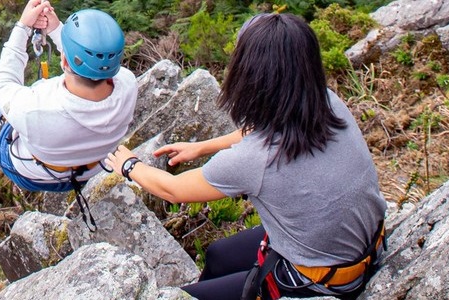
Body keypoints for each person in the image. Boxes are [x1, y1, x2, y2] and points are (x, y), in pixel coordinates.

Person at [105, 13, 387, 300]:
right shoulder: (326, 101)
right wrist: (203, 147)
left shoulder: (256, 160)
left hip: (317, 279)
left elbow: (173, 190)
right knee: (217, 255)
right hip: (358, 248)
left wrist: (128, 164)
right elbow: (270, 127)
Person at [0, 0, 137, 193]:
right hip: (92, 168)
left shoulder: (36, 107)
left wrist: (23, 27)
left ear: (65, 62)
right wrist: (55, 28)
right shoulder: (128, 84)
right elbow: (90, 62)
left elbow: (4, 84)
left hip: (35, 176)